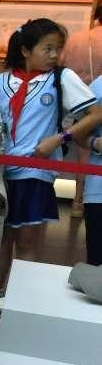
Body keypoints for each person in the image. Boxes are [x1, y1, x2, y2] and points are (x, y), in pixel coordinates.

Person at [0, 18, 102, 290]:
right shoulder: (0, 82)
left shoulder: (61, 78)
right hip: (1, 170)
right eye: (47, 49)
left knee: (28, 241)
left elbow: (95, 114)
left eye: (57, 49)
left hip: (36, 172)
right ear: (25, 50)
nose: (54, 55)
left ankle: (21, 300)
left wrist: (60, 138)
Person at [64, 4, 102, 217]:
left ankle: (78, 200)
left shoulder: (76, 39)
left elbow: (61, 65)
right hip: (99, 97)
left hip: (78, 98)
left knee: (83, 150)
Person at [85, 70, 102, 265]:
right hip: (99, 191)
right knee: (97, 267)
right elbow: (77, 131)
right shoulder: (99, 85)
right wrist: (96, 143)